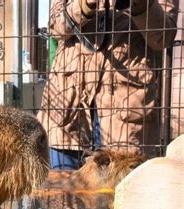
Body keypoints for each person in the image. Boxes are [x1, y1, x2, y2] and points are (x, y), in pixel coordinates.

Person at [38, 0, 179, 170]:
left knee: (120, 192)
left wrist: (141, 4)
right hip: (68, 108)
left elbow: (162, 38)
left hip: (127, 108)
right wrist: (85, 4)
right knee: (63, 191)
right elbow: (56, 27)